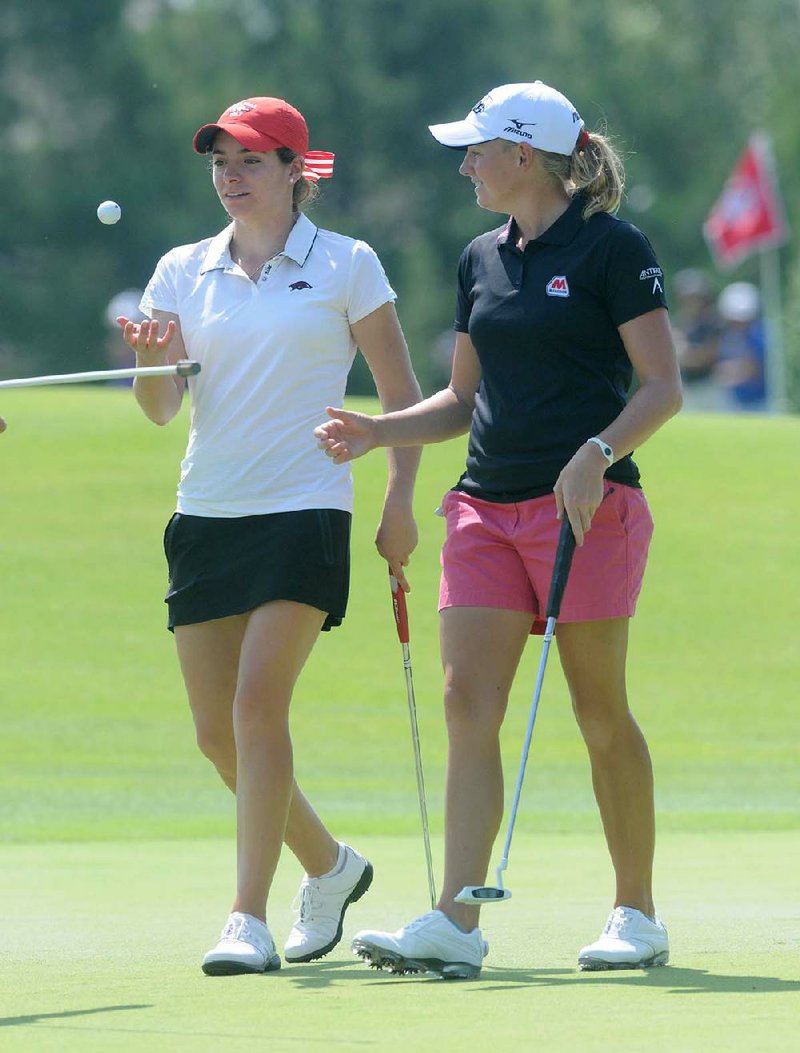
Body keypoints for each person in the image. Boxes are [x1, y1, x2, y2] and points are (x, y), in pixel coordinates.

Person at [315, 81, 682, 979]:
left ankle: (636, 910)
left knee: (599, 710)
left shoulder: (611, 247)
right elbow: (463, 399)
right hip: (483, 508)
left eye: (476, 149)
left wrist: (597, 452)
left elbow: (662, 384)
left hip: (588, 510)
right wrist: (378, 430)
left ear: (527, 155)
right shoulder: (480, 255)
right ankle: (456, 919)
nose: (465, 164)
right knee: (465, 706)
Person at [117, 96, 422, 976]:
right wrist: (148, 355)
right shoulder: (182, 269)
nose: (230, 176)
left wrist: (397, 500)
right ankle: (330, 866)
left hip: (306, 508)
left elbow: (402, 398)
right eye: (220, 161)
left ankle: (246, 916)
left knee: (258, 707)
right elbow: (160, 407)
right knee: (219, 734)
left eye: (251, 160)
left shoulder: (347, 265)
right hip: (207, 512)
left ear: (297, 168)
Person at [671, 268, 725, 412]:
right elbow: (677, 354)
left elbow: (708, 355)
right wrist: (692, 355)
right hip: (686, 387)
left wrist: (690, 355)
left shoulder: (713, 323)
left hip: (709, 385)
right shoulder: (678, 322)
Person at [713, 281, 767, 411]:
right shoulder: (727, 335)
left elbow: (756, 367)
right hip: (734, 401)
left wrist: (732, 370)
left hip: (761, 401)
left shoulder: (760, 334)